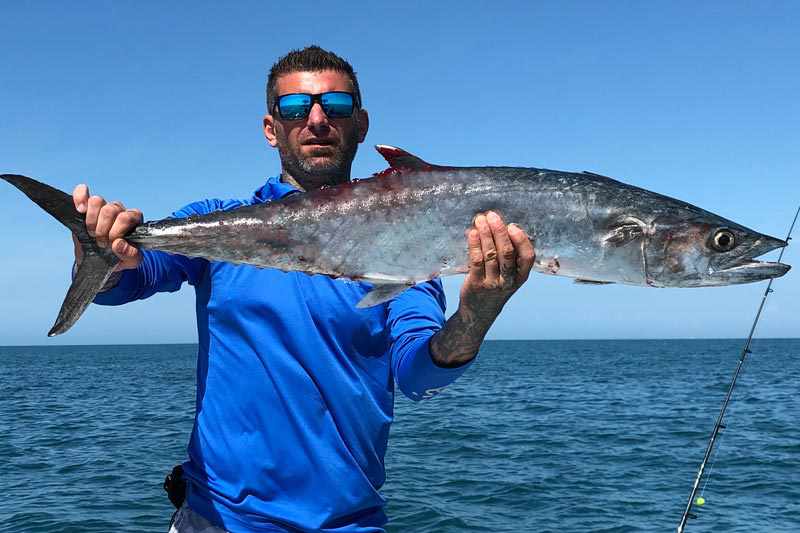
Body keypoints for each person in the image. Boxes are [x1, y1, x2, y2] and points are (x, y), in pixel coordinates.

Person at [71, 46, 535, 533]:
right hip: (215, 521)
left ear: (360, 123)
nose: (316, 120)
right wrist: (99, 253)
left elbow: (421, 376)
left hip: (348, 525)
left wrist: (476, 315)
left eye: (335, 106)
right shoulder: (213, 218)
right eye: (295, 109)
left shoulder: (408, 257)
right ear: (272, 128)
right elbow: (128, 282)